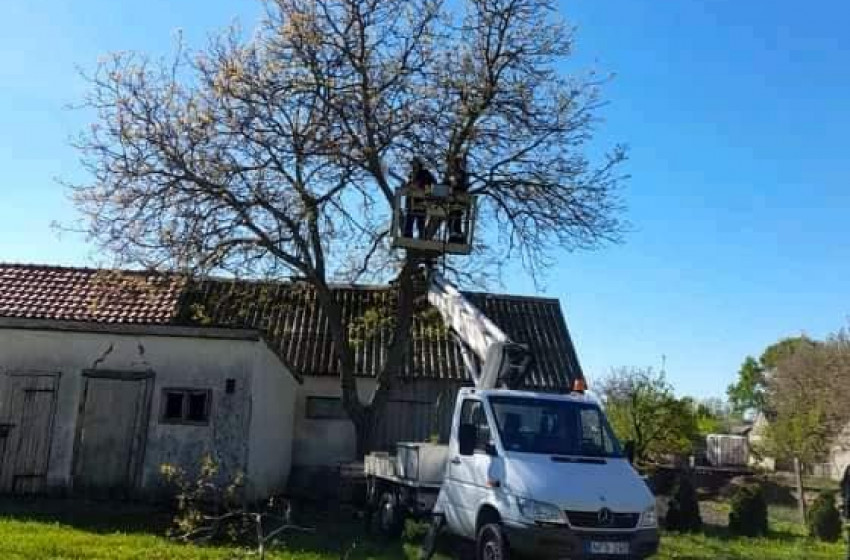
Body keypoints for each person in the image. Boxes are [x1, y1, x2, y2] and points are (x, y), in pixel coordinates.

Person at [403, 158, 436, 239]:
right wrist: (408, 186)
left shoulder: (425, 173)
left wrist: (422, 186)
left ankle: (422, 236)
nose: (413, 165)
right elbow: (409, 186)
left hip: (422, 201)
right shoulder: (412, 174)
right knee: (409, 220)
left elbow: (433, 182)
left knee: (420, 221)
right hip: (411, 202)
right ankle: (407, 235)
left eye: (415, 163)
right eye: (412, 164)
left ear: (419, 164)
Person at [446, 153, 469, 244]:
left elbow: (464, 186)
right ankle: (454, 235)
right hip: (452, 200)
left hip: (458, 199)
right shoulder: (452, 174)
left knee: (456, 218)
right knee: (452, 219)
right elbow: (448, 184)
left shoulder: (461, 173)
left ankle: (457, 235)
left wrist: (456, 185)